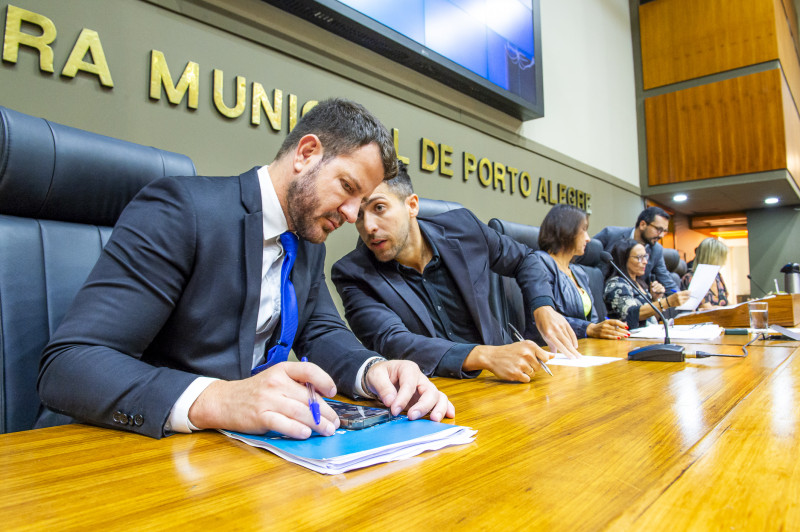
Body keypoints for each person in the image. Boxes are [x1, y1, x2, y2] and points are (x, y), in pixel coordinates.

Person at [37, 98, 453, 440]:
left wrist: (376, 370)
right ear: (306, 154)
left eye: (361, 202)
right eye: (347, 188)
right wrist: (221, 400)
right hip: (125, 451)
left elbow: (322, 332)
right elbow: (70, 365)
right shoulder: (182, 210)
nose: (350, 215)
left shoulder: (307, 243)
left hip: (229, 458)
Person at [331, 163, 583, 384]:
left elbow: (525, 259)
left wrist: (543, 307)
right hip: (436, 394)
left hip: (508, 380)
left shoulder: (464, 229)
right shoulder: (353, 273)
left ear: (412, 205)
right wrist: (486, 356)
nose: (368, 227)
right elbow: (394, 342)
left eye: (379, 208)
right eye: (360, 215)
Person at [531, 204, 629, 340]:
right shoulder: (538, 263)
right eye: (583, 230)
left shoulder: (579, 272)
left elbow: (593, 320)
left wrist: (605, 329)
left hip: (581, 347)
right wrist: (588, 328)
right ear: (566, 230)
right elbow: (544, 317)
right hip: (550, 348)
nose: (588, 238)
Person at [604, 238, 690, 329]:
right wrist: (667, 302)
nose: (645, 262)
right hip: (629, 339)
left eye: (645, 256)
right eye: (639, 258)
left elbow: (652, 319)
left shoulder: (640, 283)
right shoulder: (616, 284)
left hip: (650, 334)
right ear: (623, 259)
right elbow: (631, 315)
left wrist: (655, 299)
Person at [594, 206, 680, 294]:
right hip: (600, 293)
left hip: (634, 298)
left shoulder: (656, 249)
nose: (661, 235)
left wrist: (679, 295)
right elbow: (587, 257)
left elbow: (667, 282)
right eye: (659, 230)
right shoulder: (610, 234)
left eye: (664, 231)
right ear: (642, 224)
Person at [681, 238, 730, 309]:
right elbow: (706, 309)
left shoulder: (717, 276)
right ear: (712, 258)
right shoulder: (691, 279)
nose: (724, 262)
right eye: (722, 258)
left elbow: (727, 303)